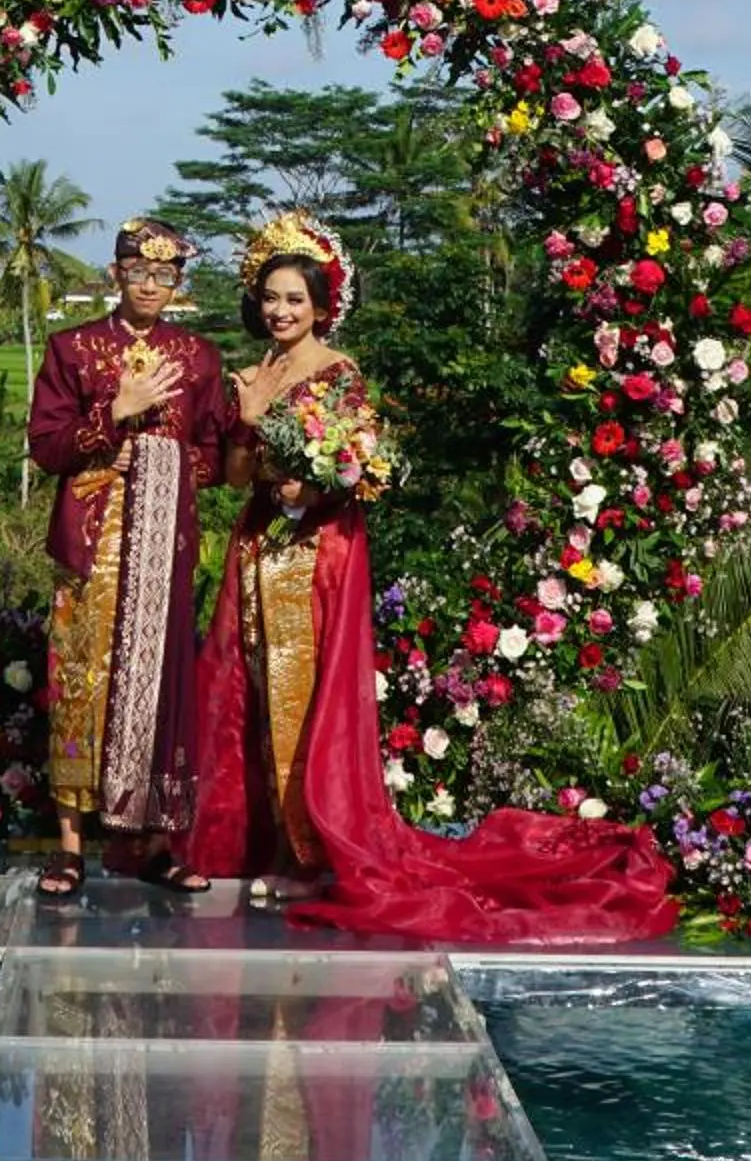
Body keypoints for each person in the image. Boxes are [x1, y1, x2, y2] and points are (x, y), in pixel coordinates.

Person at [190, 209, 678, 947]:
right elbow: (233, 478)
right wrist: (248, 418)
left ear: (323, 304)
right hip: (257, 551)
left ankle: (307, 855)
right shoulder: (253, 375)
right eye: (271, 298)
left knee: (299, 701)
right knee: (254, 701)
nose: (281, 311)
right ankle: (270, 845)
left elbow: (341, 477)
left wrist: (303, 488)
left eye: (295, 298)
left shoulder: (337, 375)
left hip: (310, 559)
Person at [25, 215, 229, 899]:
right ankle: (71, 845)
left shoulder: (199, 358)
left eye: (165, 275)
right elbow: (48, 448)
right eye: (138, 272)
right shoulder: (73, 349)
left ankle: (156, 841)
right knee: (79, 684)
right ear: (115, 273)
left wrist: (165, 461)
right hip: (92, 545)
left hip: (163, 544)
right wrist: (116, 413)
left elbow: (213, 451)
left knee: (162, 683)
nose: (150, 285)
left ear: (179, 282)